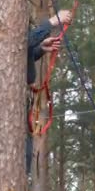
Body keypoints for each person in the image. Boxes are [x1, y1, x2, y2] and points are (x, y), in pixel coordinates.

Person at [25, 10, 72, 174]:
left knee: (26, 147)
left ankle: (23, 180)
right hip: (9, 102)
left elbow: (22, 53)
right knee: (23, 148)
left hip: (22, 99)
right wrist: (52, 21)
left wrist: (41, 49)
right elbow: (23, 42)